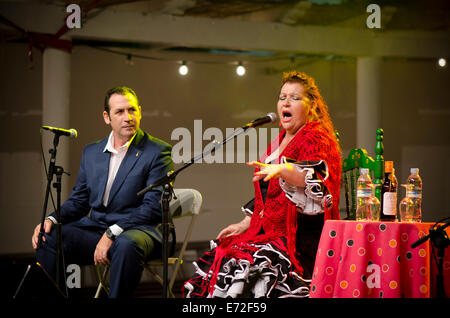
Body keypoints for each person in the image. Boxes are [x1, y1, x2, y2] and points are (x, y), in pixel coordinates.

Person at [183, 71, 341, 298]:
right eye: (282, 96)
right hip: (269, 231)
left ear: (312, 106)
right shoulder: (280, 139)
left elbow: (317, 178)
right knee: (226, 252)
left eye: (295, 98)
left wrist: (283, 170)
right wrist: (245, 223)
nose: (286, 102)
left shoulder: (316, 137)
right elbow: (269, 196)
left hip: (299, 239)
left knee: (249, 265)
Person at [32, 86, 174, 298]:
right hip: (97, 229)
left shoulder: (157, 151)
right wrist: (52, 218)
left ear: (140, 112)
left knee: (126, 244)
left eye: (132, 110)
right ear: (107, 117)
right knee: (50, 236)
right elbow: (79, 202)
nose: (128, 117)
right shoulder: (91, 152)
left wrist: (112, 232)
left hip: (141, 231)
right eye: (120, 112)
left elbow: (152, 209)